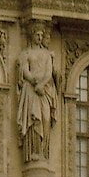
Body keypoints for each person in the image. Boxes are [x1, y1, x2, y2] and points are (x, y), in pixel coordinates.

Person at [16, 20, 58, 161]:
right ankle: (33, 152)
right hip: (31, 90)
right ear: (32, 36)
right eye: (37, 34)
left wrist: (42, 84)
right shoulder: (26, 53)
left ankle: (43, 153)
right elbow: (24, 71)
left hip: (44, 90)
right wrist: (35, 82)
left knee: (45, 119)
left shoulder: (47, 54)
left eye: (41, 35)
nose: (39, 37)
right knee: (33, 121)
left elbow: (49, 72)